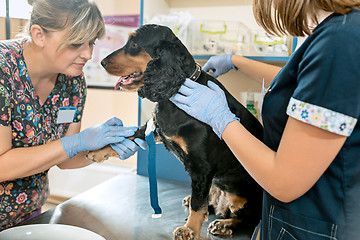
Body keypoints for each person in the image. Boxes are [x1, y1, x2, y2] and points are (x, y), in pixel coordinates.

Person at [170, 0, 360, 239]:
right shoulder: (340, 31)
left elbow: (285, 182)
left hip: (316, 226)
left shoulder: (339, 41)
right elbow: (303, 84)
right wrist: (235, 61)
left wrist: (220, 118)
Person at [0, 0, 146, 231]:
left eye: (91, 42)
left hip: (28, 216)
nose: (88, 54)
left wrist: (106, 149)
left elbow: (66, 160)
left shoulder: (73, 82)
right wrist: (75, 142)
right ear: (39, 35)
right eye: (76, 43)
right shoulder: (3, 68)